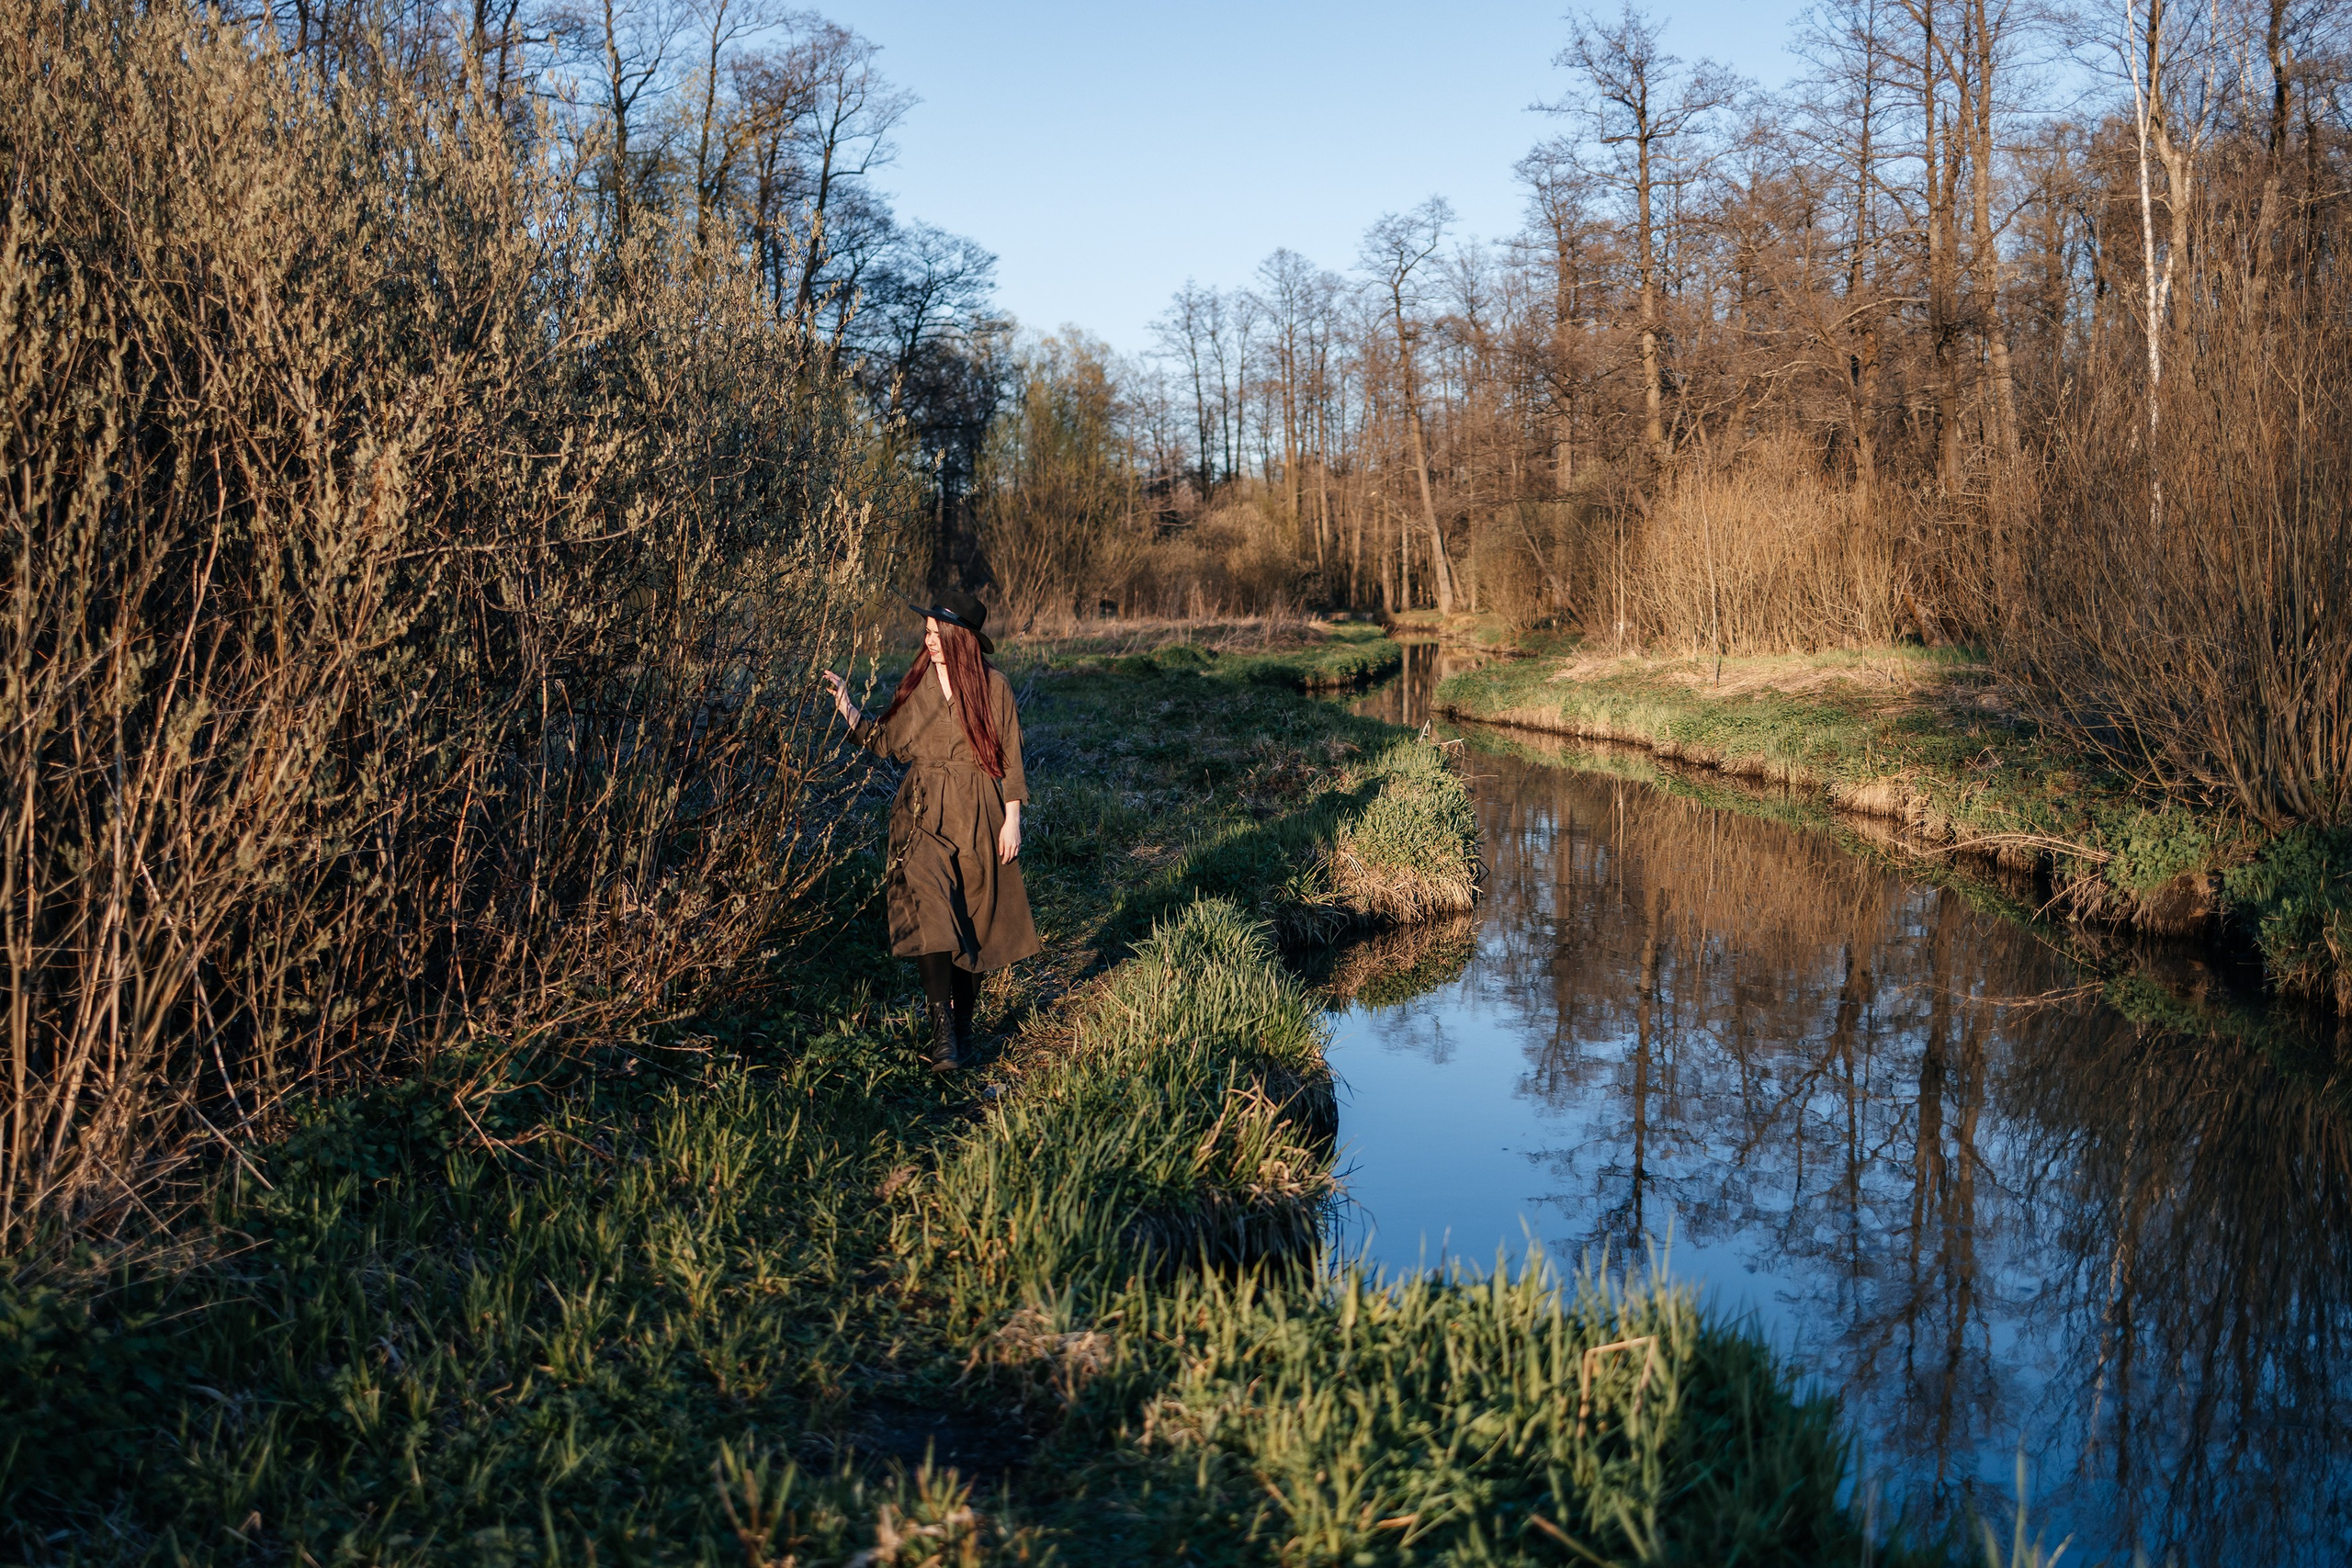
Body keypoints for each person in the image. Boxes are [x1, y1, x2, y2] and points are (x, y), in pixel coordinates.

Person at [822, 591, 1040, 1070]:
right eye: (928, 633)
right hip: (921, 813)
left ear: (962, 640)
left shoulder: (994, 687)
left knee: (973, 922)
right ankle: (943, 1034)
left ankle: (963, 1027)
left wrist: (1013, 820)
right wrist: (846, 705)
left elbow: (1011, 760)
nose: (930, 641)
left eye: (939, 634)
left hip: (979, 811)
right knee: (930, 911)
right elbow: (883, 740)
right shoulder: (919, 684)